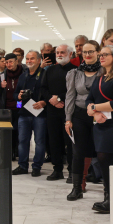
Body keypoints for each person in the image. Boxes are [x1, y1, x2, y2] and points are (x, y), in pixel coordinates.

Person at [87, 44, 113, 214]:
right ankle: (109, 197)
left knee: (105, 158)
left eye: (105, 54)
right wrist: (94, 113)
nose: (101, 57)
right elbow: (89, 101)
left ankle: (112, 198)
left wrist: (95, 107)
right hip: (100, 123)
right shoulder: (100, 77)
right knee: (104, 160)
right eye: (100, 54)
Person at [64, 40, 101, 201]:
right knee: (78, 152)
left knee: (103, 152)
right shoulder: (74, 73)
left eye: (91, 51)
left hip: (100, 115)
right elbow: (70, 96)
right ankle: (77, 188)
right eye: (84, 52)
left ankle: (108, 191)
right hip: (79, 115)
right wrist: (68, 119)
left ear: (98, 52)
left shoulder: (105, 72)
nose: (87, 55)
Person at [39, 44, 76, 181]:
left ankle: (72, 171)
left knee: (70, 142)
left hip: (69, 111)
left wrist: (59, 98)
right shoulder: (50, 70)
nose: (59, 54)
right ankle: (57, 169)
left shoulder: (75, 70)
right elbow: (43, 88)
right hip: (52, 110)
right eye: (58, 52)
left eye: (63, 52)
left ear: (70, 54)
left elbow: (75, 90)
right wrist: (51, 99)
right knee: (54, 141)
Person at [13, 50, 47, 177]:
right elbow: (15, 94)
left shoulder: (44, 75)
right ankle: (22, 166)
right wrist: (19, 97)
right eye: (27, 59)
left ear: (39, 60)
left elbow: (49, 93)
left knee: (39, 141)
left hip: (40, 114)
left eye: (32, 58)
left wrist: (44, 102)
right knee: (22, 141)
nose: (29, 61)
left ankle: (36, 167)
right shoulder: (23, 76)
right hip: (24, 113)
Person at [0, 53, 23, 160]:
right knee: (9, 132)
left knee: (19, 131)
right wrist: (1, 87)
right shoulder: (3, 74)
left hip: (20, 106)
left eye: (11, 62)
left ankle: (19, 151)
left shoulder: (24, 72)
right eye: (6, 62)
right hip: (7, 107)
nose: (8, 64)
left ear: (16, 61)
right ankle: (10, 152)